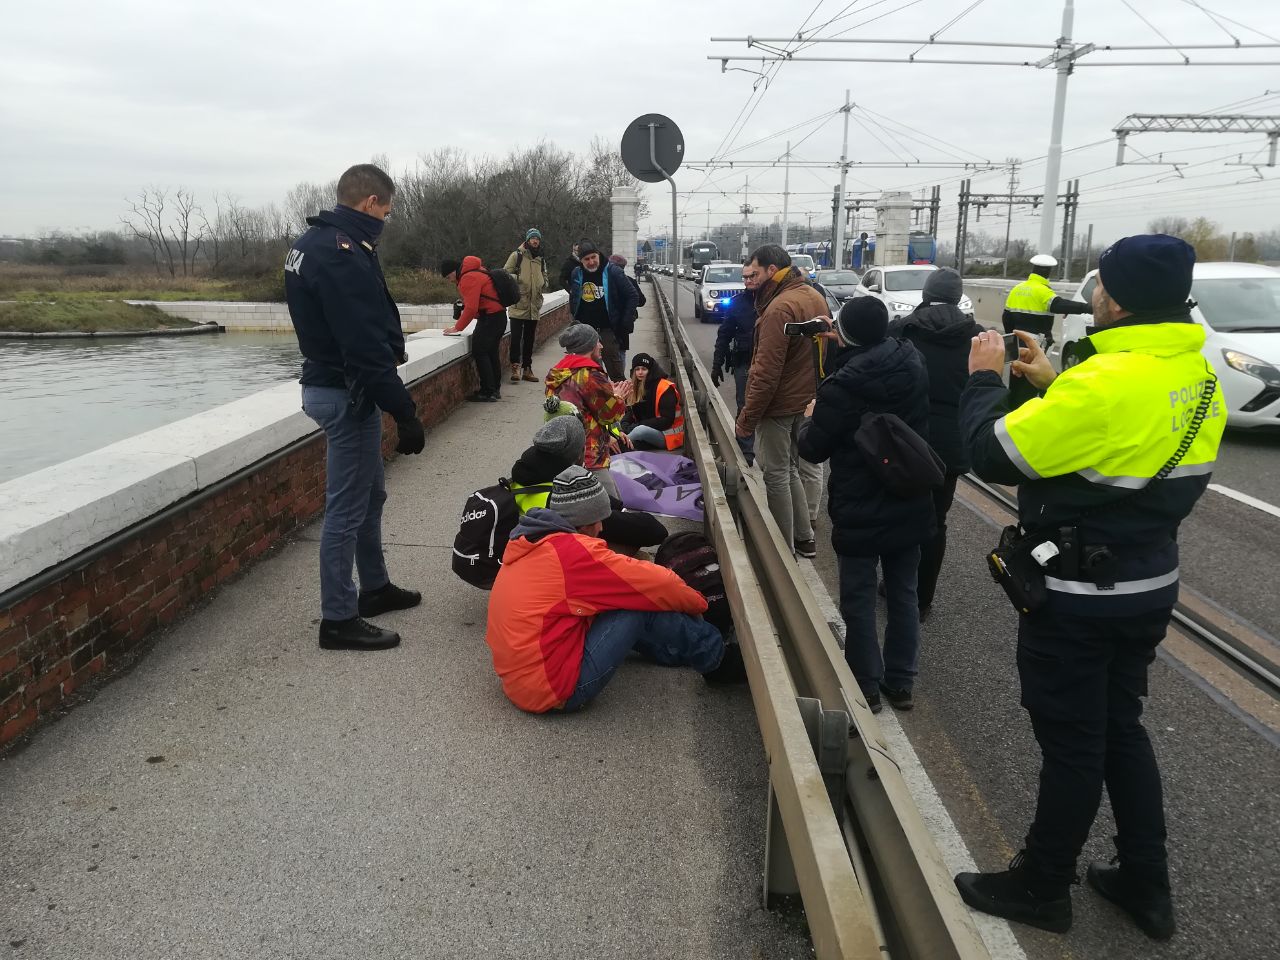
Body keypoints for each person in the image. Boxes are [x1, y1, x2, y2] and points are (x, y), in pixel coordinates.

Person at [953, 235, 1226, 939]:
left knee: (1073, 744)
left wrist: (985, 378)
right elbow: (1121, 446)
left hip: (1078, 596)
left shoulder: (1101, 382)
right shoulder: (1195, 371)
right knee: (1121, 730)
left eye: (1098, 284)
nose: (1091, 294)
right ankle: (1145, 878)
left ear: (1118, 299)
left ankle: (1043, 884)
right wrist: (1051, 384)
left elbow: (991, 453)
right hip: (1148, 585)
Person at [284, 163, 425, 652]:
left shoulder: (312, 244)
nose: (386, 217)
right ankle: (338, 618)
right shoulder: (341, 254)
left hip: (332, 386)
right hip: (347, 393)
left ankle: (376, 588)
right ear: (370, 203)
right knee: (345, 510)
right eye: (386, 208)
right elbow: (362, 346)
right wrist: (404, 412)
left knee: (371, 497)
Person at [485, 466, 746, 712]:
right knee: (637, 606)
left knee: (616, 598)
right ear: (582, 522)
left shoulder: (532, 541)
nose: (601, 529)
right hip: (554, 690)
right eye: (598, 521)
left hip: (520, 680)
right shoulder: (575, 555)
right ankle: (718, 660)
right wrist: (701, 605)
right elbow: (660, 584)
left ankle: (674, 652)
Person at [798, 298, 934, 713]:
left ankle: (866, 685)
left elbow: (813, 448)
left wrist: (809, 416)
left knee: (857, 598)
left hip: (861, 502)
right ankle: (901, 681)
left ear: (849, 335)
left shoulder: (841, 387)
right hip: (909, 493)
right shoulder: (911, 362)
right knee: (903, 593)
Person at [887, 267, 983, 621]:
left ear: (927, 293)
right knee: (936, 521)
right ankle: (921, 600)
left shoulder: (902, 329)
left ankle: (896, 584)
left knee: (900, 513)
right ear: (958, 297)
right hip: (952, 445)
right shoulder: (978, 337)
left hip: (906, 440)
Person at [735, 244, 827, 559]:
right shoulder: (813, 296)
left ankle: (782, 551)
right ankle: (805, 538)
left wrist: (747, 417)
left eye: (756, 273)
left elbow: (765, 372)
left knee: (775, 472)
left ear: (772, 271)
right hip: (806, 398)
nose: (752, 280)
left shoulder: (778, 308)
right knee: (791, 469)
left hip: (779, 404)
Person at [509, 416, 668, 552]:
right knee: (638, 554)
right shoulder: (571, 497)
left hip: (525, 552)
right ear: (577, 453)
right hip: (555, 557)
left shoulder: (522, 476)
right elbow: (655, 531)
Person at [545, 323, 627, 497]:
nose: (601, 346)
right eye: (598, 342)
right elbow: (609, 415)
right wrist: (618, 396)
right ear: (589, 345)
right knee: (611, 507)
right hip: (590, 455)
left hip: (564, 450)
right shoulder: (590, 375)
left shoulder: (559, 373)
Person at [1003, 253, 1094, 408]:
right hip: (1036, 347)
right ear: (1048, 272)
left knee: (1016, 384)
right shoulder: (1044, 292)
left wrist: (1012, 340)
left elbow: (1006, 317)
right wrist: (1089, 308)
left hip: (1017, 345)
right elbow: (1060, 305)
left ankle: (1010, 416)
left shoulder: (1017, 289)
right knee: (1030, 389)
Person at [567, 240, 638, 381]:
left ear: (598, 255)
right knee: (589, 375)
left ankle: (621, 401)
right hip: (586, 331)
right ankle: (594, 402)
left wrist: (625, 321)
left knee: (616, 373)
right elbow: (573, 296)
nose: (591, 262)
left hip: (608, 330)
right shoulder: (576, 273)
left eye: (593, 257)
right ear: (581, 261)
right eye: (586, 259)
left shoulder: (613, 271)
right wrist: (574, 318)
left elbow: (632, 295)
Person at [711, 290, 757, 465]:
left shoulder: (775, 299)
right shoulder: (736, 303)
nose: (748, 281)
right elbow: (724, 336)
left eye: (753, 275)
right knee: (745, 405)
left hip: (771, 363)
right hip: (744, 362)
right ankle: (745, 453)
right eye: (745, 277)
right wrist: (717, 365)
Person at [503, 228, 547, 385]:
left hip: (533, 305)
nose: (535, 241)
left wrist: (543, 283)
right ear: (527, 240)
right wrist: (519, 278)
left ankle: (527, 368)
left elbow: (544, 275)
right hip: (518, 303)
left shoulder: (540, 258)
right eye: (533, 238)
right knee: (515, 338)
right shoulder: (517, 255)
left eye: (537, 239)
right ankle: (515, 367)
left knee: (529, 339)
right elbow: (505, 274)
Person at [620, 353, 684, 451]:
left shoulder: (665, 388)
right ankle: (621, 442)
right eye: (637, 369)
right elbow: (631, 412)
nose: (640, 372)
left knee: (639, 430)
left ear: (650, 371)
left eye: (644, 369)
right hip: (650, 429)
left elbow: (666, 420)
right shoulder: (635, 386)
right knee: (617, 425)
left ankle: (620, 445)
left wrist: (638, 425)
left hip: (668, 436)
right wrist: (624, 424)